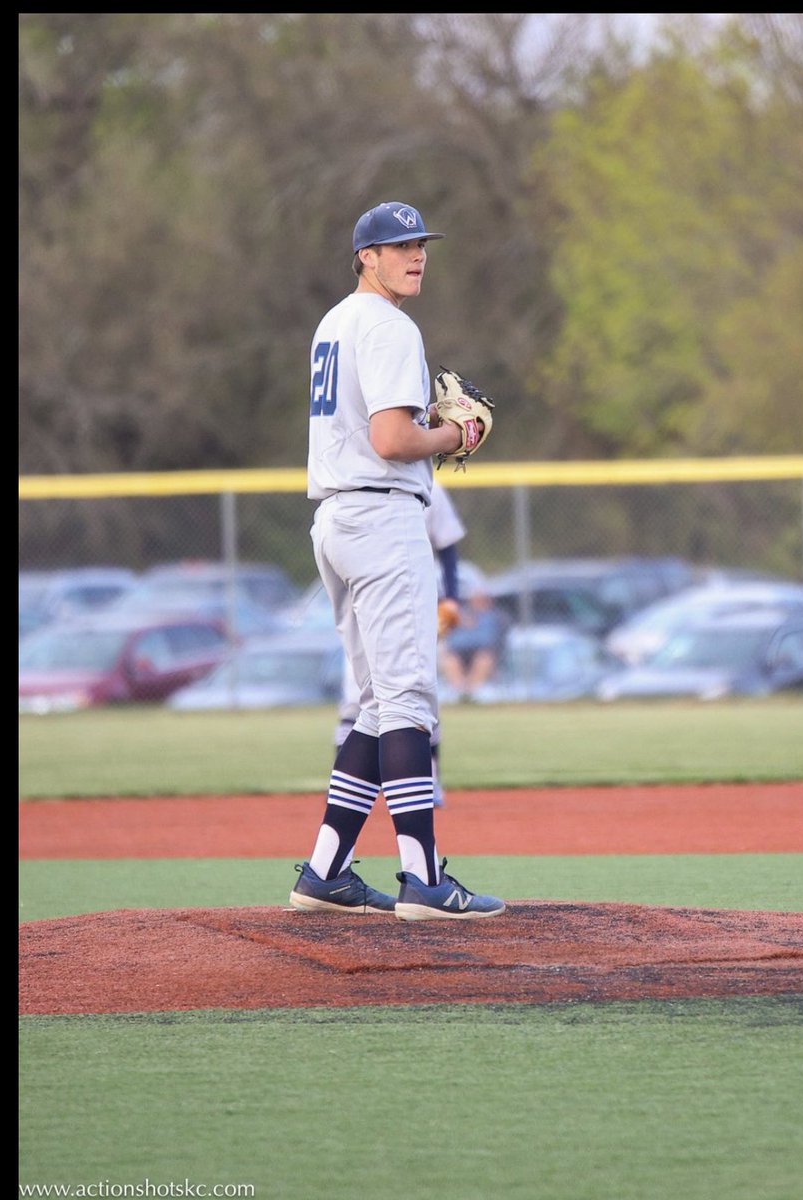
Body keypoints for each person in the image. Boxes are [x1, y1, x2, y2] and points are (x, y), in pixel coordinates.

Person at [289, 200, 505, 920]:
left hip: (338, 521)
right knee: (408, 699)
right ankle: (425, 880)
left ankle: (325, 872)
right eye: (399, 245)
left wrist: (429, 426)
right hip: (381, 518)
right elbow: (391, 440)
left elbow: (373, 431)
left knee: (378, 703)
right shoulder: (389, 325)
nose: (415, 255)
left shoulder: (334, 322)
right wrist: (452, 434)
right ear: (366, 256)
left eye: (420, 244)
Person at [333, 479, 465, 807]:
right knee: (356, 697)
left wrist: (452, 597)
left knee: (419, 694)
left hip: (414, 600)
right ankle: (343, 782)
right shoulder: (349, 483)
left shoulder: (429, 485)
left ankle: (429, 779)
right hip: (365, 603)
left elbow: (447, 544)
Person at [439, 587, 509, 703]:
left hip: (483, 651)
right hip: (459, 652)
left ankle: (473, 692)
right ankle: (460, 693)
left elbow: (489, 639)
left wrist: (471, 631)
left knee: (484, 659)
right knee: (450, 660)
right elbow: (453, 640)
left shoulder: (495, 617)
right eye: (476, 598)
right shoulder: (460, 615)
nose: (479, 601)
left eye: (482, 598)